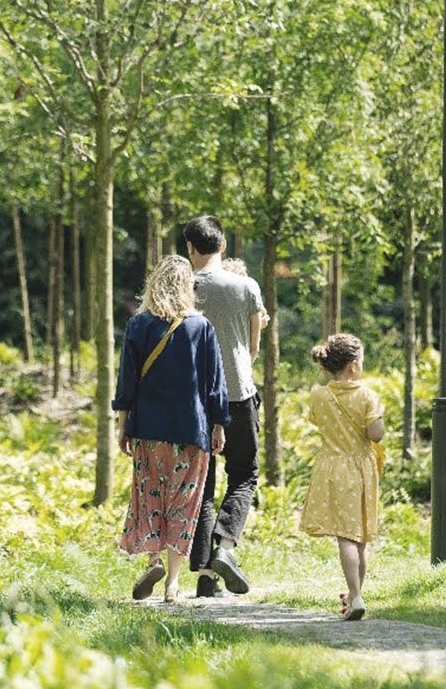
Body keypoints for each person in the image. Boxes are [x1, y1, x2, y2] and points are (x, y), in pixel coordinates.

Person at [113, 255, 229, 603]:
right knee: (184, 502)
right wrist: (219, 424)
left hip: (148, 428)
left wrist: (123, 426)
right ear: (187, 287)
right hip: (191, 429)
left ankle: (152, 560)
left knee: (149, 498)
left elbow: (127, 380)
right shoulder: (201, 327)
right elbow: (214, 383)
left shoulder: (139, 325)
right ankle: (173, 584)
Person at [184, 216, 267, 598]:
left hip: (194, 400)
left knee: (203, 484)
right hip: (238, 392)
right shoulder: (246, 286)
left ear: (190, 248)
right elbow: (251, 350)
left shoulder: (181, 289)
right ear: (222, 246)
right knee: (244, 475)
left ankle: (205, 577)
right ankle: (225, 548)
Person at [300, 333, 385, 621]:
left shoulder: (318, 394)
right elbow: (376, 434)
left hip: (332, 468)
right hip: (361, 468)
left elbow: (317, 420)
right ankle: (357, 593)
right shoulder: (367, 395)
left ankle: (354, 595)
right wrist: (379, 417)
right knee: (360, 537)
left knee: (345, 537)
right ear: (353, 366)